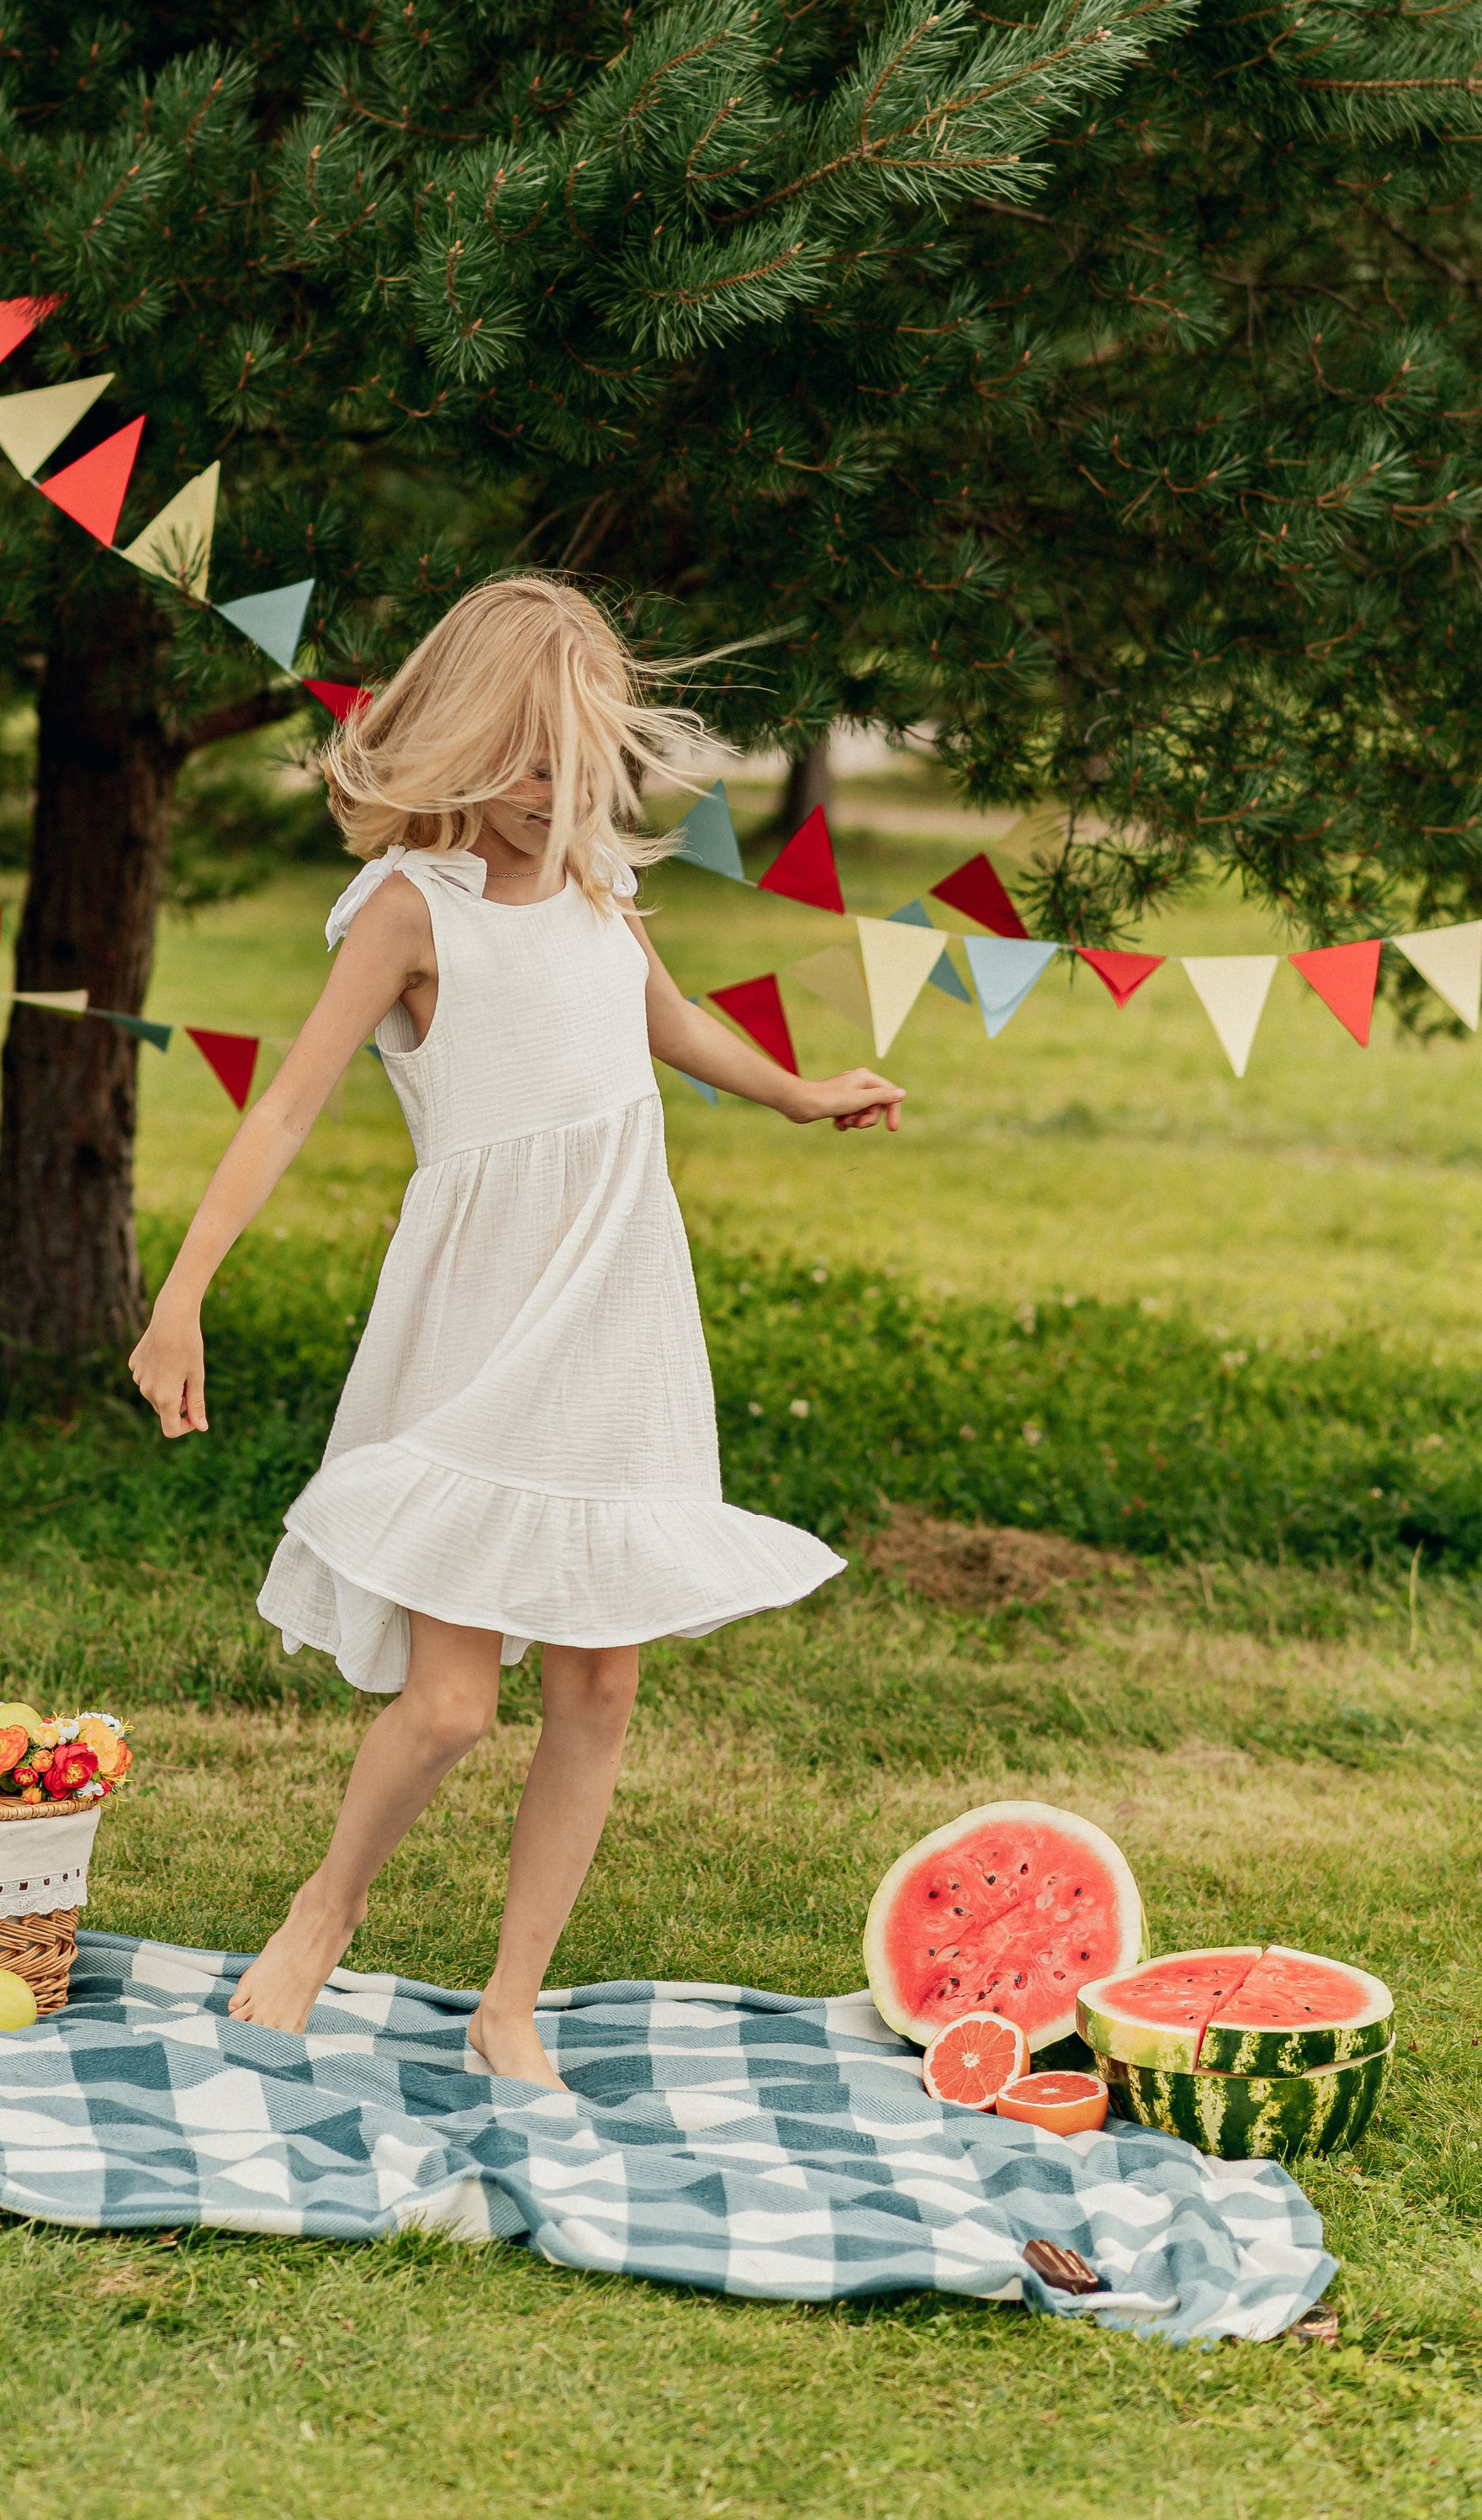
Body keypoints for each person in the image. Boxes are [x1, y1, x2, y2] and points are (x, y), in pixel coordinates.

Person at [129, 576, 903, 2086]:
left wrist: (801, 1094)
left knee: (600, 1687)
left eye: (579, 764)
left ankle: (511, 2004)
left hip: (620, 1311)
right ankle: (324, 1909)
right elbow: (284, 1108)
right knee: (447, 1708)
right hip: (484, 1321)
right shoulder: (412, 911)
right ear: (465, 743)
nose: (555, 795)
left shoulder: (601, 884)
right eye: (527, 763)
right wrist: (182, 1293)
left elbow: (667, 1021)